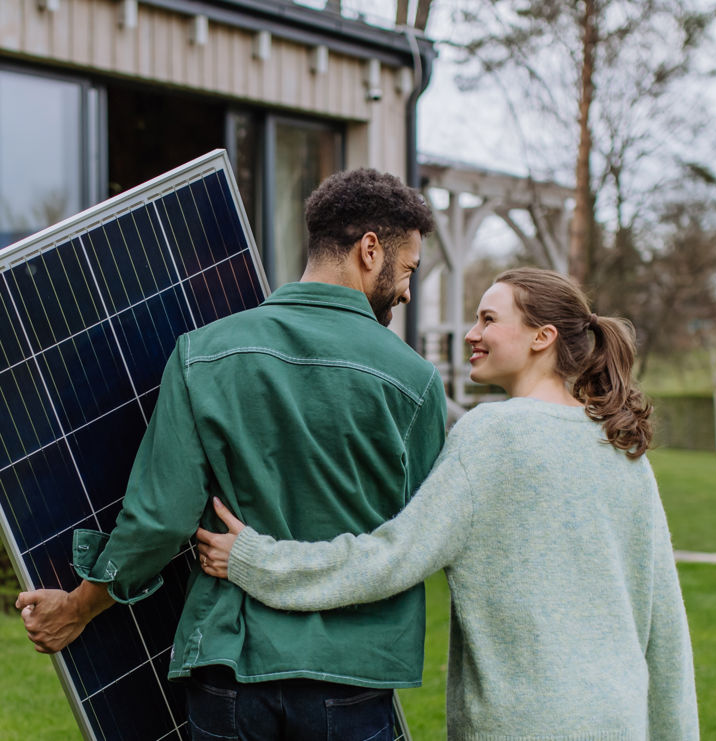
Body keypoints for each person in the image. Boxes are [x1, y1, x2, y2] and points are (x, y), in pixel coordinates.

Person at [17, 168, 447, 740]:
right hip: (352, 679)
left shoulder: (203, 355)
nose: (408, 290)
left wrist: (79, 606)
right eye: (409, 269)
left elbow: (159, 519)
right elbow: (423, 538)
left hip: (233, 667)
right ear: (369, 250)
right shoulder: (413, 383)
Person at [196, 267, 700, 740]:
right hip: (621, 720)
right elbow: (666, 626)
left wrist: (256, 559)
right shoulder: (621, 446)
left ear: (541, 337)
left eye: (488, 319)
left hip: (524, 725)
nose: (470, 334)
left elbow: (391, 559)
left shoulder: (493, 434)